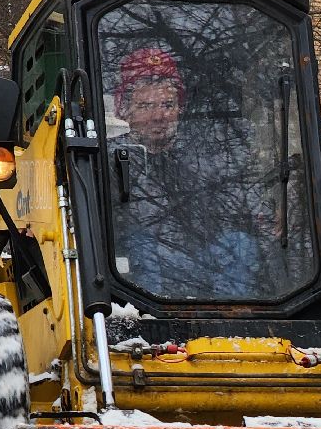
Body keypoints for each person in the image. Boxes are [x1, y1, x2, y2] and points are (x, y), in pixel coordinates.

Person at [108, 46, 266, 301]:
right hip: (137, 272)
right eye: (146, 106)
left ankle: (227, 317)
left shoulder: (205, 155)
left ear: (179, 108)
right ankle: (154, 318)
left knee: (240, 243)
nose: (158, 116)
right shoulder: (109, 159)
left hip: (199, 261)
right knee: (141, 243)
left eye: (167, 104)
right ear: (124, 110)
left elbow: (235, 209)